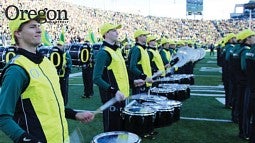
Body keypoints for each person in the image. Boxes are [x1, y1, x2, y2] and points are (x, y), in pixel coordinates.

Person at [0, 13, 94, 143]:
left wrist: (75, 114)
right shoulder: (16, 70)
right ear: (18, 34)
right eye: (32, 27)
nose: (39, 29)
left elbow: (50, 104)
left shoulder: (47, 63)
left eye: (39, 26)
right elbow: (3, 117)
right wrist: (26, 140)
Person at [93, 23, 129, 132]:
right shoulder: (103, 53)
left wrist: (134, 81)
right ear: (106, 33)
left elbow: (121, 74)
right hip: (112, 98)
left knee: (122, 129)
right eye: (113, 30)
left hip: (122, 96)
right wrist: (114, 91)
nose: (117, 32)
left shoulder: (117, 51)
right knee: (112, 131)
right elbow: (96, 78)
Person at [128, 29, 153, 94]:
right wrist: (144, 77)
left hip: (145, 81)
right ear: (139, 37)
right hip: (140, 82)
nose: (146, 37)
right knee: (140, 102)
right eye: (144, 35)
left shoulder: (143, 49)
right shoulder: (137, 49)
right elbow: (132, 67)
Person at [56, 40, 72, 105]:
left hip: (64, 74)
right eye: (58, 45)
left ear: (63, 46)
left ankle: (64, 103)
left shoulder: (66, 54)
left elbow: (70, 63)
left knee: (64, 89)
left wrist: (67, 67)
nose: (58, 46)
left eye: (60, 45)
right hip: (56, 75)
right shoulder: (54, 53)